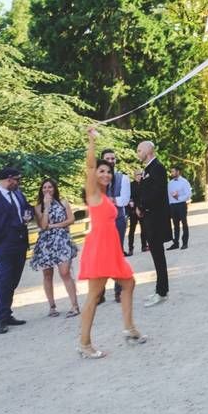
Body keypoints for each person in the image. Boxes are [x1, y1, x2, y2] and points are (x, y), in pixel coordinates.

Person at [77, 127, 145, 359]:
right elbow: (89, 166)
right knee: (94, 297)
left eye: (109, 172)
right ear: (96, 174)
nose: (105, 174)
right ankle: (85, 344)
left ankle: (130, 329)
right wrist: (91, 141)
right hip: (99, 250)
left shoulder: (106, 197)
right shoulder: (93, 193)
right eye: (102, 171)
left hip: (112, 250)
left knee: (129, 284)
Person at [0, 167, 35, 334]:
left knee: (14, 280)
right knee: (4, 280)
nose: (18, 182)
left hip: (20, 243)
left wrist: (28, 215)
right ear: (9, 179)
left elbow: (27, 208)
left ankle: (7, 313)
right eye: (17, 179)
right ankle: (2, 318)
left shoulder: (17, 193)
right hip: (2, 246)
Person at [29, 178, 79, 318]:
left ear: (54, 188)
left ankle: (74, 305)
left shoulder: (63, 202)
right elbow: (43, 226)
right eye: (44, 187)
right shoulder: (38, 207)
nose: (47, 190)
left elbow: (71, 220)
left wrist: (55, 226)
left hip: (62, 239)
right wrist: (47, 207)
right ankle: (52, 306)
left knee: (64, 272)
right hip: (46, 243)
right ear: (41, 190)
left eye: (50, 187)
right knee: (47, 274)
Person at [136, 140, 171, 307]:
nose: (138, 153)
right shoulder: (148, 169)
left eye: (139, 150)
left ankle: (162, 291)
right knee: (156, 256)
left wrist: (142, 206)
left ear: (149, 150)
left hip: (156, 219)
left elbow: (157, 192)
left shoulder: (157, 167)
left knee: (159, 256)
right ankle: (160, 290)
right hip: (149, 218)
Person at [99, 148, 131, 304]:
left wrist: (105, 200)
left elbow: (124, 200)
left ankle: (119, 291)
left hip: (118, 220)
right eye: (108, 158)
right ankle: (100, 292)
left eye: (113, 158)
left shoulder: (123, 178)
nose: (111, 161)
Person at [167, 165, 192, 250]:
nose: (172, 173)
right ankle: (176, 243)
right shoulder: (170, 183)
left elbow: (188, 195)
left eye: (173, 171)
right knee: (175, 225)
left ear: (178, 172)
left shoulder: (184, 182)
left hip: (181, 205)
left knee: (184, 223)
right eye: (171, 172)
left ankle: (185, 243)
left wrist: (179, 198)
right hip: (173, 206)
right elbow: (168, 196)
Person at [126, 170, 147, 256]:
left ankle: (144, 246)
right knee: (132, 230)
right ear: (134, 176)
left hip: (142, 209)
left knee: (144, 229)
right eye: (138, 174)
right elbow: (129, 198)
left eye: (141, 174)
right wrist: (134, 208)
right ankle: (131, 248)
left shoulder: (144, 184)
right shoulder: (131, 185)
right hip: (133, 211)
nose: (140, 176)